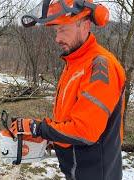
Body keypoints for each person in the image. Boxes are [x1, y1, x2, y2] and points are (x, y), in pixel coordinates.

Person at [10, 0, 126, 179]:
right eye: (57, 31)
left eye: (63, 29)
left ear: (85, 25)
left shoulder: (100, 66)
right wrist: (47, 137)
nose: (57, 38)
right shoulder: (74, 62)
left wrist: (38, 128)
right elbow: (69, 119)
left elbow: (85, 130)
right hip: (76, 172)